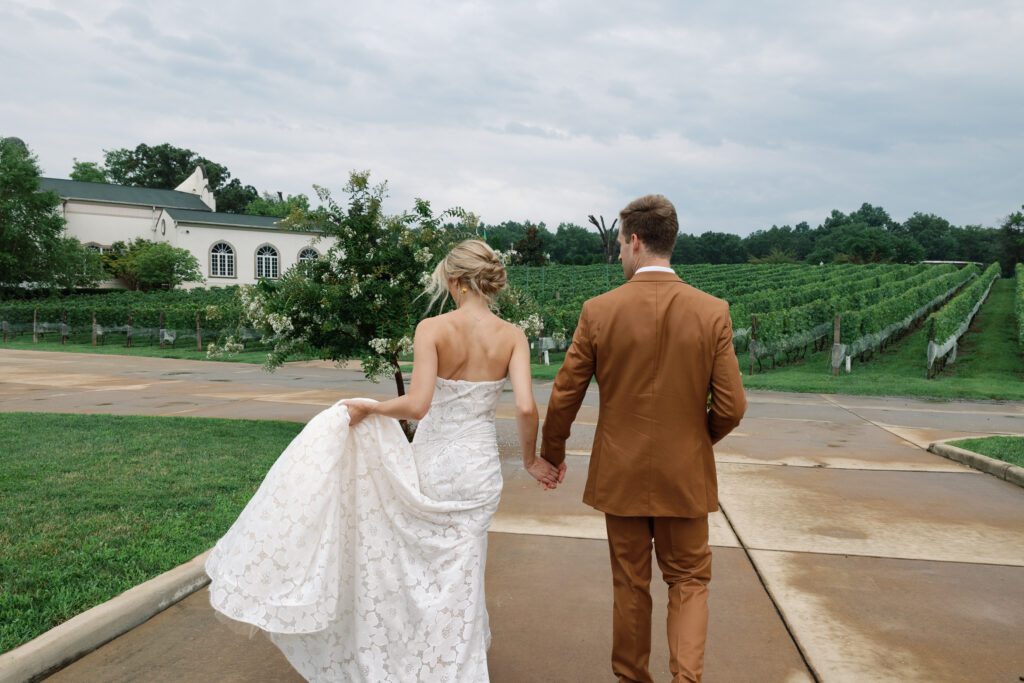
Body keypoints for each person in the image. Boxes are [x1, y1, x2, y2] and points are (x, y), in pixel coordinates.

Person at [205, 239, 561, 682]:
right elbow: (527, 409)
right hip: (477, 468)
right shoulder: (512, 336)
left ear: (455, 281)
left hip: (433, 463)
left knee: (419, 568)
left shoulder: (433, 328)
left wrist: (371, 408)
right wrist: (529, 459)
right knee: (463, 573)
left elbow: (417, 406)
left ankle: (413, 661)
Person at [540, 195, 747, 683]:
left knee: (630, 584)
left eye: (619, 243)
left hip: (622, 472)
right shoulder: (712, 311)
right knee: (690, 580)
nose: (619, 253)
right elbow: (733, 406)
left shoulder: (599, 311)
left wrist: (552, 454)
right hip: (685, 476)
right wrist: (697, 441)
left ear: (635, 241)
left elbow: (565, 393)